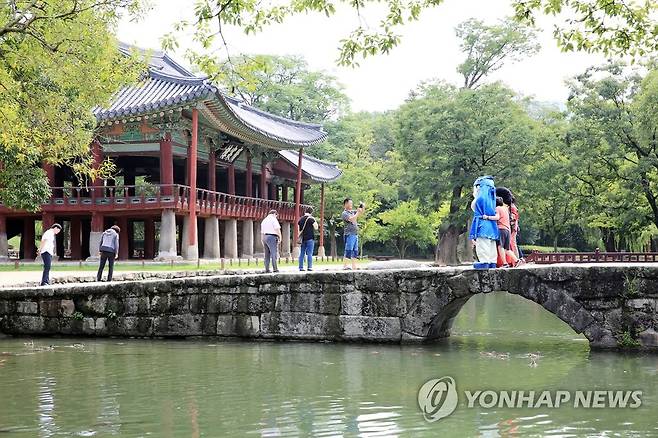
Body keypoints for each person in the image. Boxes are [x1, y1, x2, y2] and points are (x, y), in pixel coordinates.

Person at [469, 176, 499, 269]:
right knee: (491, 244)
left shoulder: (479, 199)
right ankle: (492, 261)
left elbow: (474, 207)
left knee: (483, 244)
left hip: (482, 225)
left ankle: (484, 261)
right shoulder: (492, 200)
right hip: (492, 225)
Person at [484, 197, 519, 268]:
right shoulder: (505, 209)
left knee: (500, 247)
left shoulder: (497, 208)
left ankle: (505, 263)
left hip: (501, 229)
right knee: (507, 249)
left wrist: (487, 217)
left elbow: (497, 217)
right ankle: (517, 260)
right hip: (507, 230)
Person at [341, 198, 364, 270]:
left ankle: (354, 266)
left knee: (355, 251)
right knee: (348, 250)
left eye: (352, 203)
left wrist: (362, 206)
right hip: (349, 234)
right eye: (350, 203)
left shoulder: (352, 212)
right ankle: (345, 265)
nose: (351, 205)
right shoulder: (344, 213)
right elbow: (352, 219)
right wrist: (357, 212)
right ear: (345, 204)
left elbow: (361, 212)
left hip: (355, 234)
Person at [298, 206, 318, 271]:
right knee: (309, 253)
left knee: (302, 253)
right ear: (311, 212)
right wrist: (314, 220)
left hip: (303, 238)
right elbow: (316, 227)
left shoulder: (300, 219)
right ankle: (309, 267)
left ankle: (301, 267)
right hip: (310, 238)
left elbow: (299, 230)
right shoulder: (311, 219)